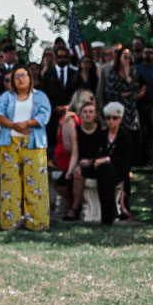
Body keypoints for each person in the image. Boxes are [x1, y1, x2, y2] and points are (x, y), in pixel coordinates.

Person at [0, 65, 52, 230]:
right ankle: (10, 222)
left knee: (36, 183)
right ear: (12, 80)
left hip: (34, 145)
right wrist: (15, 126)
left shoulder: (40, 96)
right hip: (9, 144)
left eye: (23, 75)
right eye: (17, 76)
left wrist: (26, 123)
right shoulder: (6, 96)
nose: (20, 78)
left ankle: (37, 223)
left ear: (30, 77)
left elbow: (44, 115)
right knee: (9, 184)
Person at [53, 89, 95, 219]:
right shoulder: (72, 119)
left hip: (77, 157)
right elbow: (71, 147)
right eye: (91, 98)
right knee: (72, 177)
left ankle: (75, 207)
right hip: (69, 158)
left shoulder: (83, 117)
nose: (94, 101)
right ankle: (75, 207)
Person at [95, 102, 134, 225]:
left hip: (120, 170)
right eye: (108, 118)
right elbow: (96, 155)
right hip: (103, 170)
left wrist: (108, 159)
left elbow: (126, 159)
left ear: (120, 119)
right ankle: (109, 214)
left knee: (106, 171)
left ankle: (109, 215)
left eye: (114, 118)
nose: (111, 121)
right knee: (104, 171)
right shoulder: (101, 135)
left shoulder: (126, 136)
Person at [63, 101, 102, 220]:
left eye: (91, 112)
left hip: (96, 164)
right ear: (80, 115)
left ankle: (74, 209)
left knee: (78, 173)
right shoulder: (76, 131)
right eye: (85, 112)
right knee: (62, 184)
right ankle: (76, 204)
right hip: (80, 163)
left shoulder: (101, 130)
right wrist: (69, 170)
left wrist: (91, 161)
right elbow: (75, 154)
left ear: (95, 115)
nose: (88, 114)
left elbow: (103, 153)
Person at [102, 46, 144, 144]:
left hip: (132, 110)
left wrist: (127, 73)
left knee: (134, 136)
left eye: (129, 56)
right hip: (118, 109)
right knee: (121, 137)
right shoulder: (113, 72)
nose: (127, 58)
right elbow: (109, 92)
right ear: (119, 57)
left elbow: (136, 88)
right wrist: (126, 93)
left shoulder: (133, 72)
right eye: (125, 56)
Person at [41, 46, 78, 150]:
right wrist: (54, 108)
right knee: (53, 148)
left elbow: (77, 94)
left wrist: (69, 107)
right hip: (52, 117)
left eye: (65, 57)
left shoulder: (75, 73)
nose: (63, 59)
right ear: (55, 58)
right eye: (60, 56)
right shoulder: (48, 74)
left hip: (71, 115)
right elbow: (44, 95)